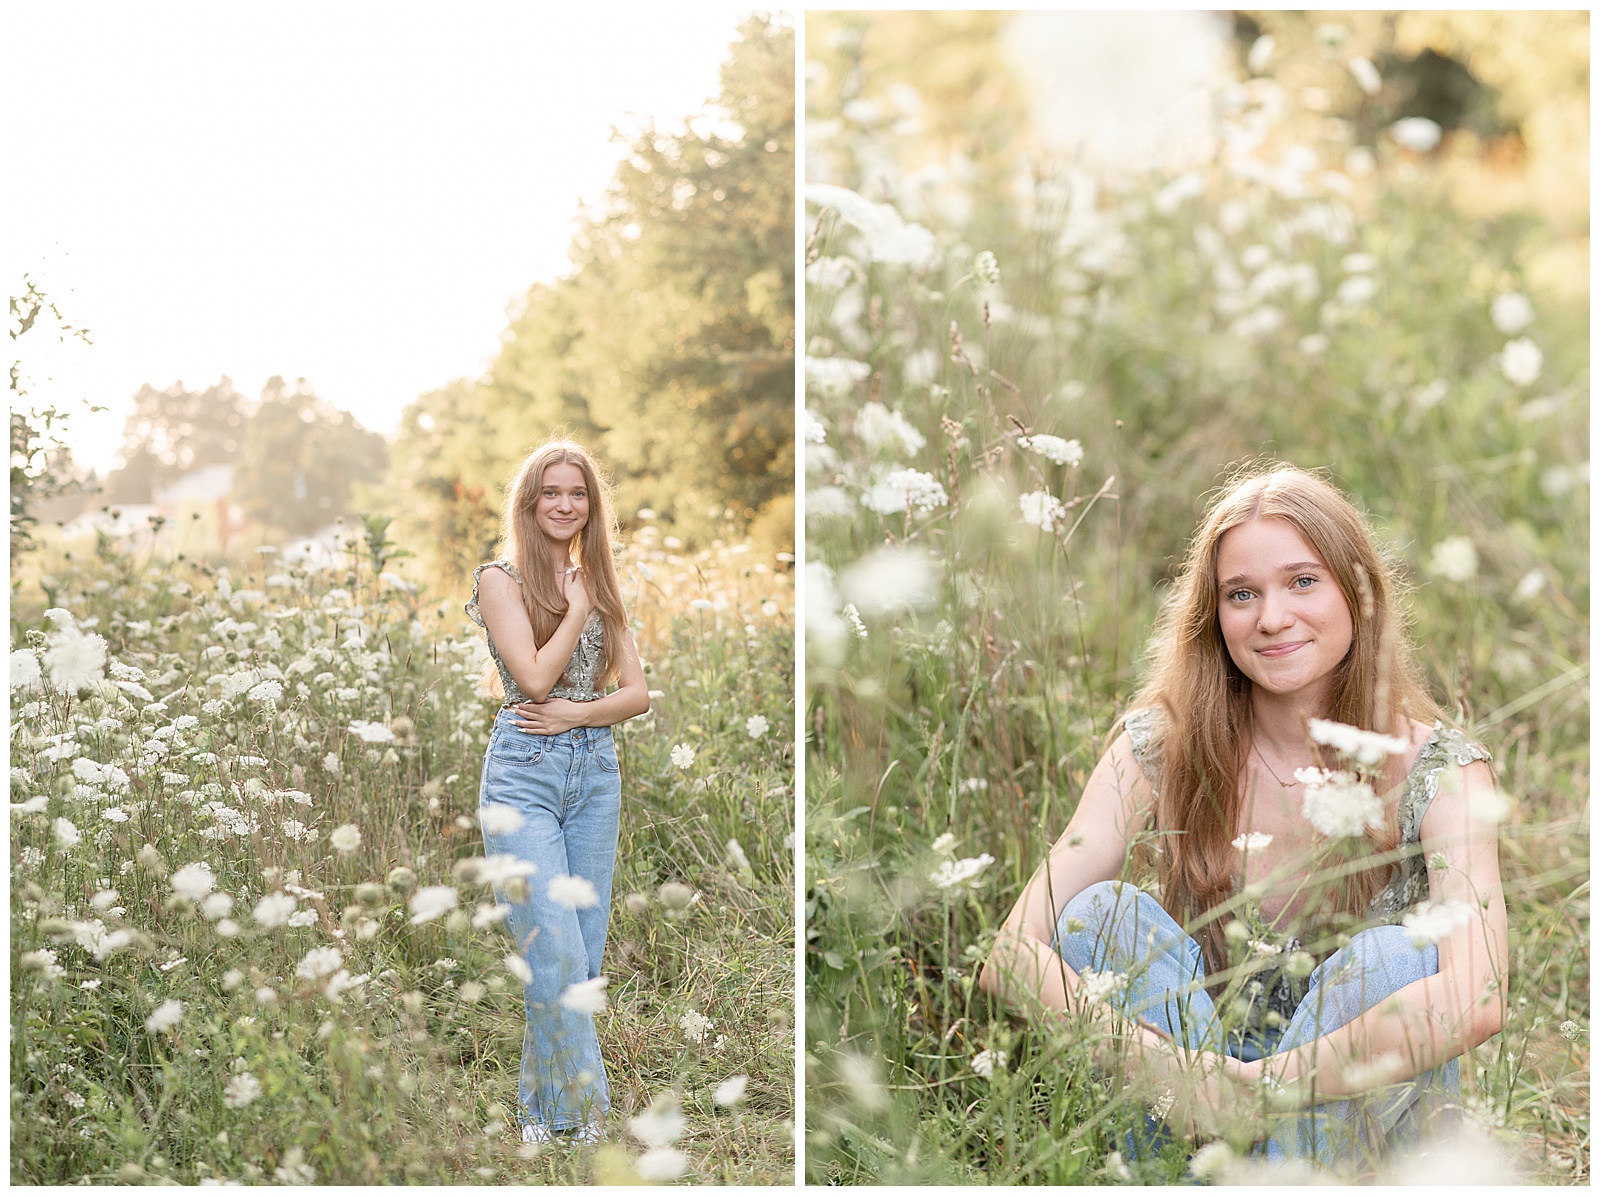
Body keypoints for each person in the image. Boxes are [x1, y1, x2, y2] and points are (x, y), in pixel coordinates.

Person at [979, 464, 1507, 1174]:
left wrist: (1266, 1089)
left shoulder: (1441, 773)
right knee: (1101, 915)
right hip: (1194, 1103)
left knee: (1394, 959)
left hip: (1358, 1129)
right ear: (1215, 615)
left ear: (1357, 592)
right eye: (1242, 594)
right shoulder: (1157, 749)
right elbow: (1010, 955)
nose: (1272, 617)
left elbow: (1477, 999)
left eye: (1302, 581)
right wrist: (1181, 1077)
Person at [465, 439, 650, 1144]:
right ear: (530, 501)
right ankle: (588, 1127)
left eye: (578, 494)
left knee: (580, 956)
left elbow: (634, 695)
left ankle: (542, 1124)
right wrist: (576, 612)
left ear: (590, 504)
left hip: (594, 774)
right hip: (523, 777)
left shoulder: (598, 580)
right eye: (553, 493)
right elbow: (535, 680)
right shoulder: (500, 579)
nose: (566, 505)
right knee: (556, 954)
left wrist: (578, 714)